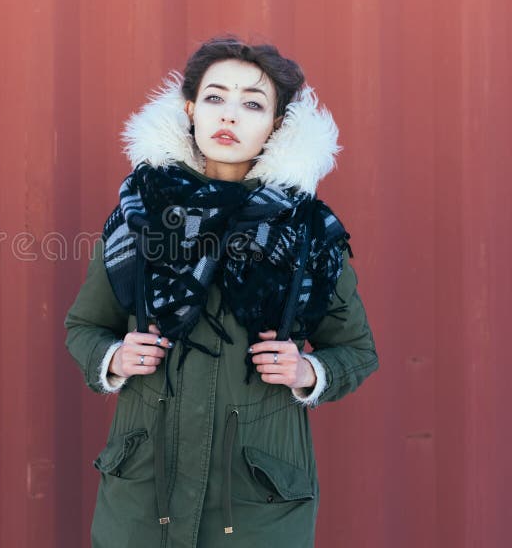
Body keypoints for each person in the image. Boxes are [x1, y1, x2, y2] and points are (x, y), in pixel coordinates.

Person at [64, 35, 379, 548]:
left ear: (277, 125)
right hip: (144, 492)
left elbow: (357, 351)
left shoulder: (307, 230)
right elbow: (84, 327)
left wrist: (309, 371)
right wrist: (114, 357)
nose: (229, 116)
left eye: (252, 103)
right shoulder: (140, 215)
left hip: (257, 500)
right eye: (215, 97)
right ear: (190, 109)